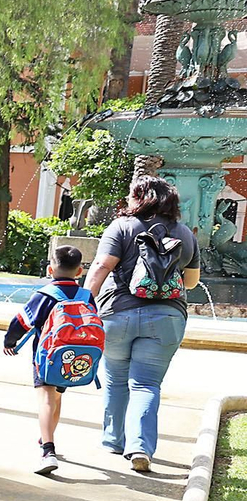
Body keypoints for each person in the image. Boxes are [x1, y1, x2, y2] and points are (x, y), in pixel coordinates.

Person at [84, 175, 201, 472]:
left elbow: (101, 266)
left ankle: (113, 440)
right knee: (146, 384)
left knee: (115, 377)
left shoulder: (121, 227)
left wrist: (84, 302)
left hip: (117, 315)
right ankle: (140, 447)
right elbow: (191, 281)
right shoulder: (185, 233)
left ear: (138, 197)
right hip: (166, 318)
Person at [4, 245, 90, 475]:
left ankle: (48, 450)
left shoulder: (45, 295)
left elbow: (21, 322)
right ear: (79, 271)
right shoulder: (86, 295)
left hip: (46, 356)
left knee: (45, 398)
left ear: (50, 269)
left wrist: (9, 342)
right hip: (75, 357)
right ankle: (47, 439)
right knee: (57, 397)